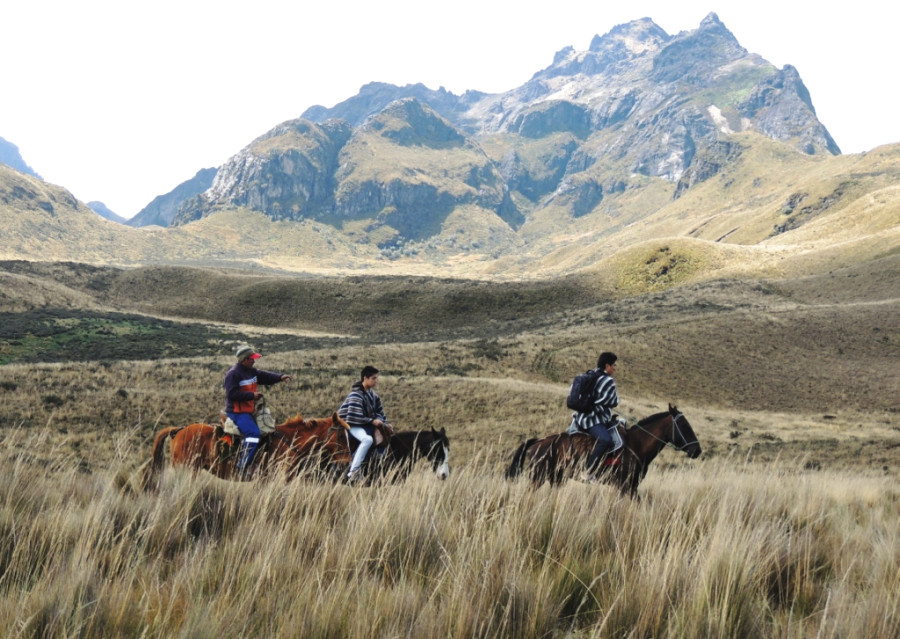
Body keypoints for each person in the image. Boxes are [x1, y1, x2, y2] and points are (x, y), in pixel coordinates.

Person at [224, 345, 293, 478]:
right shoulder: (233, 374)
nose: (254, 361)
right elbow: (231, 394)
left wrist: (280, 377)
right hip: (237, 412)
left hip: (248, 410)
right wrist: (252, 396)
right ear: (244, 359)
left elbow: (264, 376)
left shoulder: (251, 371)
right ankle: (242, 466)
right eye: (251, 359)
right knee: (253, 434)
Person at [569, 351, 620, 481]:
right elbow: (614, 401)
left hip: (579, 417)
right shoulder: (608, 381)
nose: (615, 368)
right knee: (606, 440)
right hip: (593, 420)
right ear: (607, 365)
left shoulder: (588, 375)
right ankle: (588, 471)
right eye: (613, 365)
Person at [339, 365, 393, 483]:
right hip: (352, 425)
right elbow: (353, 417)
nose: (376, 381)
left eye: (376, 378)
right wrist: (372, 421)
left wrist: (383, 422)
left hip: (365, 424)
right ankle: (353, 472)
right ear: (365, 378)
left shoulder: (374, 396)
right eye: (373, 378)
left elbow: (380, 412)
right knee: (367, 440)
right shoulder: (355, 395)